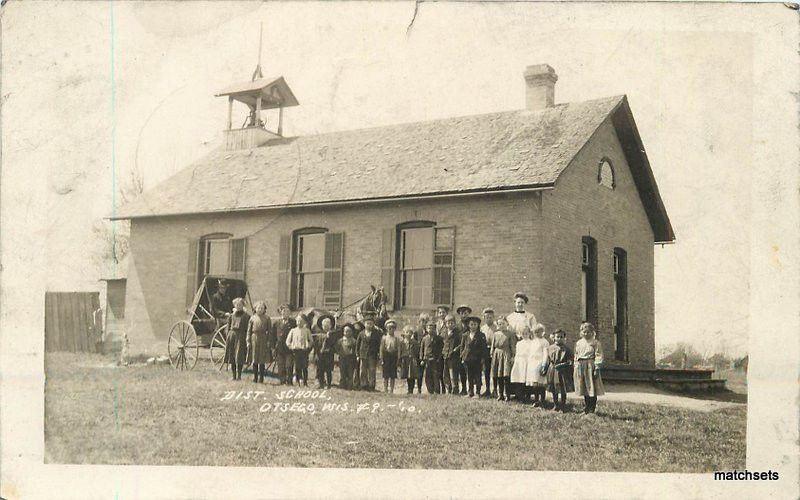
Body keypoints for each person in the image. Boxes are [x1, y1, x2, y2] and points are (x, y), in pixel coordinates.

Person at [574, 322, 604, 414]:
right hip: (581, 365)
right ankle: (586, 408)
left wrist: (597, 367)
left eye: (588, 332)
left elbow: (599, 355)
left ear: (592, 332)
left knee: (592, 387)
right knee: (584, 388)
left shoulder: (595, 343)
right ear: (581, 332)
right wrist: (576, 365)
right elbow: (576, 354)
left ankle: (592, 409)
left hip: (590, 365)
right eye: (584, 332)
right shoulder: (579, 343)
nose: (586, 334)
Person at [546, 329, 574, 412]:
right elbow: (548, 359)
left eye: (561, 337)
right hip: (553, 369)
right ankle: (555, 405)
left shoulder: (567, 349)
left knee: (562, 388)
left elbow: (570, 361)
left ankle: (563, 406)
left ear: (564, 338)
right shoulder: (550, 348)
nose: (559, 339)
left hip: (563, 371)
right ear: (554, 338)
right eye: (557, 337)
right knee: (554, 388)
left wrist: (563, 365)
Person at [460, 316, 488, 397]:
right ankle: (470, 392)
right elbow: (462, 347)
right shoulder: (465, 335)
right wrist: (462, 357)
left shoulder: (481, 335)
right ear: (468, 325)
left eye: (475, 324)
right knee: (469, 376)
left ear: (478, 325)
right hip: (467, 359)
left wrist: (483, 358)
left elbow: (484, 348)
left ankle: (478, 392)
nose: (473, 326)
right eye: (471, 324)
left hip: (477, 359)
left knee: (477, 375)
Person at [490, 315, 516, 401]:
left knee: (506, 376)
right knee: (498, 376)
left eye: (503, 323)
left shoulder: (510, 334)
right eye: (499, 324)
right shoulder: (495, 334)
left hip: (506, 355)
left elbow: (513, 346)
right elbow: (493, 346)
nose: (501, 325)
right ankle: (500, 394)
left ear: (507, 323)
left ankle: (507, 395)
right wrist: (492, 354)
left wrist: (513, 356)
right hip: (497, 355)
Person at [246, 301, 272, 383]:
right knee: (254, 358)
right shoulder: (252, 318)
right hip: (254, 338)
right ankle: (255, 377)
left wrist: (268, 341)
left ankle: (261, 378)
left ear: (264, 309)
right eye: (258, 308)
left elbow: (270, 331)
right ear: (255, 309)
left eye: (262, 308)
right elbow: (248, 331)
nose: (260, 310)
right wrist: (248, 340)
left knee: (261, 359)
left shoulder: (267, 318)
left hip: (263, 338)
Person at [224, 297, 250, 380]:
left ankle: (239, 376)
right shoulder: (231, 316)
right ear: (234, 305)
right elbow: (228, 327)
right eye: (237, 305)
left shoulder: (246, 316)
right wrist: (228, 335)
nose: (238, 306)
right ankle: (233, 376)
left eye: (240, 305)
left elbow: (248, 328)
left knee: (239, 356)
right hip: (232, 336)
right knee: (232, 356)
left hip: (241, 336)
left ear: (243, 305)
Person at [526, 323, 551, 407]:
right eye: (535, 332)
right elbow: (530, 353)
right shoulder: (533, 341)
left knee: (541, 383)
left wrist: (544, 365)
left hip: (540, 363)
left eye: (539, 332)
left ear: (543, 332)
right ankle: (536, 400)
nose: (537, 334)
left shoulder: (545, 342)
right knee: (535, 383)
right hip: (532, 364)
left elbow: (545, 354)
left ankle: (542, 400)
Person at [286, 313, 313, 386]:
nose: (299, 322)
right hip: (296, 351)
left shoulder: (307, 330)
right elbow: (288, 341)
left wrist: (308, 347)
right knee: (297, 367)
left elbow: (311, 340)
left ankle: (305, 382)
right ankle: (298, 381)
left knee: (304, 367)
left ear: (304, 322)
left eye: (301, 321)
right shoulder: (293, 330)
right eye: (298, 321)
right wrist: (291, 347)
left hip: (304, 351)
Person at [356, 312, 382, 391]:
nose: (369, 325)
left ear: (373, 324)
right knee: (363, 370)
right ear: (364, 324)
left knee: (372, 370)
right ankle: (364, 385)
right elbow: (358, 344)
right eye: (367, 323)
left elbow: (378, 344)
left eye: (371, 324)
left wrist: (378, 354)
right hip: (363, 354)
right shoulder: (361, 334)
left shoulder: (376, 334)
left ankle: (371, 385)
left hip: (372, 355)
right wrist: (357, 354)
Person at [273, 304, 296, 385]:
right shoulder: (276, 323)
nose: (285, 313)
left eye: (287, 311)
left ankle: (289, 380)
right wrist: (273, 347)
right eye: (283, 311)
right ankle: (282, 380)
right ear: (280, 312)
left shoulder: (293, 322)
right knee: (281, 365)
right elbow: (273, 335)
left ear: (289, 313)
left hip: (289, 347)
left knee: (289, 365)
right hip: (279, 347)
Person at [509, 326, 532, 402]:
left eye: (526, 333)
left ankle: (527, 395)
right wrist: (515, 360)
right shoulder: (519, 343)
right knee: (519, 378)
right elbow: (517, 353)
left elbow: (531, 353)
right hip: (519, 361)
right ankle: (519, 395)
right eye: (523, 334)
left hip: (527, 361)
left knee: (526, 379)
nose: (525, 335)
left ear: (529, 333)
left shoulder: (531, 343)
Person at [419, 321, 443, 394]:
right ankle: (430, 390)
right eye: (429, 328)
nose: (430, 330)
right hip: (427, 360)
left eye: (432, 328)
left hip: (435, 360)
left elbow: (441, 349)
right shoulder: (424, 339)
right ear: (426, 329)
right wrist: (422, 358)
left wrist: (439, 358)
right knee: (427, 376)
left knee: (435, 375)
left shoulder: (438, 338)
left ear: (435, 329)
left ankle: (436, 390)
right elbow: (421, 349)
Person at [314, 315, 337, 389]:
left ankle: (329, 385)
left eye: (327, 326)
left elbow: (333, 345)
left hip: (329, 355)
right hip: (320, 355)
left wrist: (329, 337)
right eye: (324, 326)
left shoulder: (332, 334)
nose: (326, 327)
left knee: (328, 371)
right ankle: (321, 384)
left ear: (330, 326)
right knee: (320, 370)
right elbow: (316, 345)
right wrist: (317, 354)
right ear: (322, 326)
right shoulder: (319, 335)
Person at [441, 314, 462, 395]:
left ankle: (455, 389)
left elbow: (461, 344)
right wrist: (443, 352)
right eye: (448, 323)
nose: (450, 324)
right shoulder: (444, 333)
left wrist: (455, 349)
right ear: (445, 324)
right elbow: (443, 343)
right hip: (446, 356)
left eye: (452, 323)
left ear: (455, 323)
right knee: (445, 373)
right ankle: (448, 389)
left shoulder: (458, 333)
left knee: (453, 373)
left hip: (454, 357)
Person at [380, 319, 401, 393]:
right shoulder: (384, 338)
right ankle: (385, 389)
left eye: (392, 328)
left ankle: (391, 389)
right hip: (386, 357)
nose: (391, 330)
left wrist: (398, 358)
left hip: (393, 357)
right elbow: (381, 349)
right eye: (389, 328)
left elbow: (398, 349)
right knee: (386, 375)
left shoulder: (396, 339)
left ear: (395, 329)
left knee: (392, 375)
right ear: (386, 329)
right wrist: (381, 359)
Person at [399, 325, 421, 394]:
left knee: (412, 375)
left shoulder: (415, 342)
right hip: (405, 360)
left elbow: (417, 352)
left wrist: (417, 359)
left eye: (410, 332)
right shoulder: (402, 343)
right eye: (407, 332)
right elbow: (400, 351)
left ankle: (411, 389)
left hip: (412, 360)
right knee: (407, 375)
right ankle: (408, 388)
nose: (408, 334)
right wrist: (399, 360)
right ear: (404, 333)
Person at [480, 307, 496, 397]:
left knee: (494, 370)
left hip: (494, 351)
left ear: (493, 318)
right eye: (487, 317)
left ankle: (495, 390)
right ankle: (487, 389)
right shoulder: (482, 328)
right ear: (484, 318)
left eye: (490, 317)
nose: (489, 319)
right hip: (485, 351)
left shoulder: (496, 327)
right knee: (486, 370)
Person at [336, 324, 358, 389]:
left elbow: (356, 349)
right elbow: (337, 348)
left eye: (349, 331)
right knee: (342, 372)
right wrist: (339, 353)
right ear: (343, 332)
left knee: (350, 372)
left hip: (351, 358)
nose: (347, 333)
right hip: (342, 358)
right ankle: (342, 385)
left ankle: (350, 385)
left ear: (352, 332)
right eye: (346, 331)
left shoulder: (354, 341)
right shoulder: (340, 340)